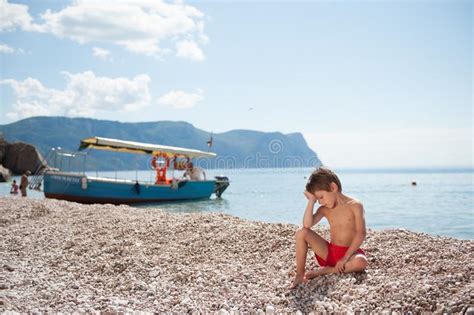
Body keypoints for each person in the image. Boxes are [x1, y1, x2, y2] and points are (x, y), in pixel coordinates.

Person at [289, 167, 368, 289]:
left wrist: (345, 257)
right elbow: (307, 225)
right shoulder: (324, 209)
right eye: (317, 199)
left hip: (350, 254)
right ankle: (300, 275)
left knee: (362, 262)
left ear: (333, 187)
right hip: (329, 253)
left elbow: (361, 233)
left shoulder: (355, 206)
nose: (320, 202)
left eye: (320, 197)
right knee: (301, 232)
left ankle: (326, 271)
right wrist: (311, 201)